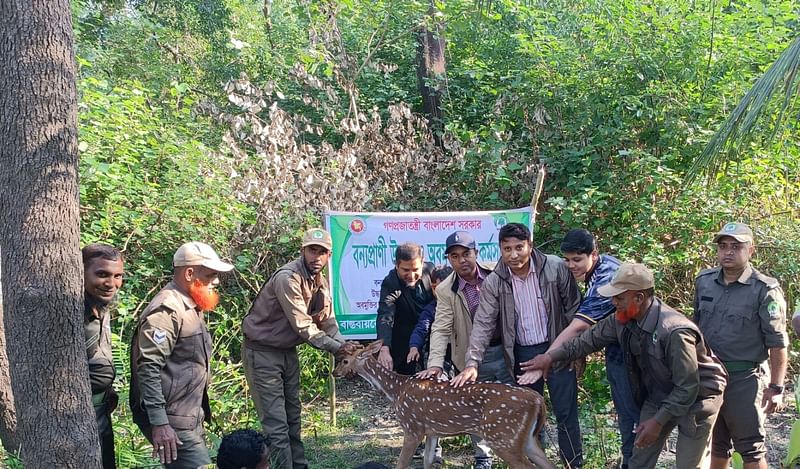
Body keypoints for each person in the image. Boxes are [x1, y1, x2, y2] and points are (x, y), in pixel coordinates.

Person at [521, 263, 728, 469]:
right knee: (639, 459)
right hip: (660, 392)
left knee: (689, 464)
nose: (613, 302)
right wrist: (550, 357)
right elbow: (586, 341)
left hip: (699, 397)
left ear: (639, 298)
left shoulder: (674, 331)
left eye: (619, 297)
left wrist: (658, 421)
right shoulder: (621, 319)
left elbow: (687, 388)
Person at [451, 222, 583, 468]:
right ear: (500, 249)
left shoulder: (555, 268)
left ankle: (573, 465)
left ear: (530, 246)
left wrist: (576, 352)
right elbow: (483, 324)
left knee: (566, 414)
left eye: (519, 247)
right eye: (507, 248)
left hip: (559, 348)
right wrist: (472, 363)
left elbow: (575, 310)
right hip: (523, 354)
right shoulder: (495, 281)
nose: (513, 255)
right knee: (531, 419)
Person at [242, 228, 357, 469]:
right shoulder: (288, 278)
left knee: (293, 418)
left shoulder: (319, 281)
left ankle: (299, 466)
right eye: (312, 251)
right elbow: (303, 326)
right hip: (263, 353)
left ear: (329, 256)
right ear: (302, 251)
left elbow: (328, 322)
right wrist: (337, 349)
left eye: (322, 252)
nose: (317, 257)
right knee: (276, 425)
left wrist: (344, 345)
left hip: (287, 352)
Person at [130, 241, 234, 468]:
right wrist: (160, 423)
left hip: (187, 415)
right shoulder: (167, 309)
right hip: (172, 421)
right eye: (210, 274)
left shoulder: (189, 305)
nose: (215, 281)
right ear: (189, 273)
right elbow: (148, 368)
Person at [693, 222, 789, 469]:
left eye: (736, 247)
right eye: (723, 246)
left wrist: (776, 387)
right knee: (716, 442)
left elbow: (778, 343)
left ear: (751, 250)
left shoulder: (765, 289)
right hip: (709, 376)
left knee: (751, 447)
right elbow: (694, 329)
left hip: (744, 378)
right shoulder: (704, 281)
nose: (728, 252)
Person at [546, 228, 639, 468]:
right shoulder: (602, 266)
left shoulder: (607, 276)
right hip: (619, 350)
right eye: (567, 260)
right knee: (629, 419)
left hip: (633, 356)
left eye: (577, 259)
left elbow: (578, 328)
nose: (571, 266)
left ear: (593, 255)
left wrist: (546, 358)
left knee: (633, 419)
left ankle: (633, 462)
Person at [417, 230, 508, 469]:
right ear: (449, 260)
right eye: (455, 256)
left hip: (508, 351)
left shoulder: (497, 273)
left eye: (466, 253)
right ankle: (483, 457)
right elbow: (440, 328)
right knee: (476, 407)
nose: (462, 260)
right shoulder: (446, 289)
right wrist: (435, 363)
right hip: (472, 359)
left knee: (515, 401)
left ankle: (521, 454)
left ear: (476, 253)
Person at [83, 243, 125, 469]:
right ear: (80, 270)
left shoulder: (102, 307)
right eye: (102, 274)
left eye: (118, 276)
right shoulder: (74, 311)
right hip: (79, 416)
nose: (112, 284)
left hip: (101, 411)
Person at [376, 242, 434, 375]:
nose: (411, 276)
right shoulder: (391, 282)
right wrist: (384, 348)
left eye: (415, 270)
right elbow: (385, 315)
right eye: (405, 270)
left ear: (422, 263)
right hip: (405, 344)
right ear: (396, 265)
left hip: (433, 339)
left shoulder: (431, 271)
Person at [405, 265, 453, 369]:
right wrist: (414, 347)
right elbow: (421, 328)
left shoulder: (463, 303)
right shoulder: (431, 309)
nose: (439, 292)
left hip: (460, 353)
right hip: (437, 355)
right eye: (435, 288)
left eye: (444, 288)